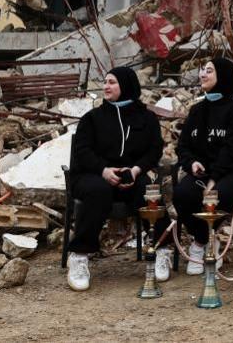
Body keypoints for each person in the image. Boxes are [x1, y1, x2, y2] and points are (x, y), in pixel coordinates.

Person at [67, 66, 167, 291]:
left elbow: (154, 150)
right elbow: (82, 151)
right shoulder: (92, 119)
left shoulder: (147, 118)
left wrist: (137, 169)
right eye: (105, 82)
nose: (106, 87)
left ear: (126, 85)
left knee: (148, 192)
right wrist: (103, 170)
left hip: (130, 174)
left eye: (112, 82)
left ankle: (161, 250)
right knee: (98, 191)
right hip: (93, 175)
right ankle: (80, 256)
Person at [173, 58, 233, 275]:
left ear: (223, 75)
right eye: (202, 70)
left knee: (218, 195)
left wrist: (214, 179)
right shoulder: (197, 110)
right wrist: (192, 163)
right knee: (183, 194)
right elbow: (183, 146)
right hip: (204, 171)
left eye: (209, 71)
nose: (202, 74)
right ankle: (202, 241)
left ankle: (209, 242)